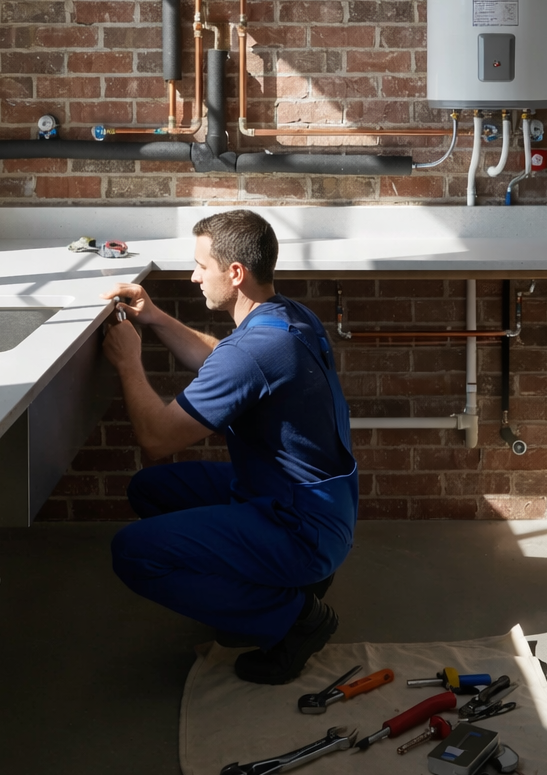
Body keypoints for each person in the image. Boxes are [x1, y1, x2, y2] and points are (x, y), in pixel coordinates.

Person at [100, 210, 357, 685]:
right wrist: (154, 317)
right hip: (313, 503)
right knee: (152, 491)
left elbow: (156, 439)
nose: (194, 276)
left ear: (235, 273)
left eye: (202, 265)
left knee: (134, 553)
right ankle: (289, 581)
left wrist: (129, 362)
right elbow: (222, 358)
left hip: (300, 525)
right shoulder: (288, 318)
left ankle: (294, 616)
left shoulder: (256, 352)